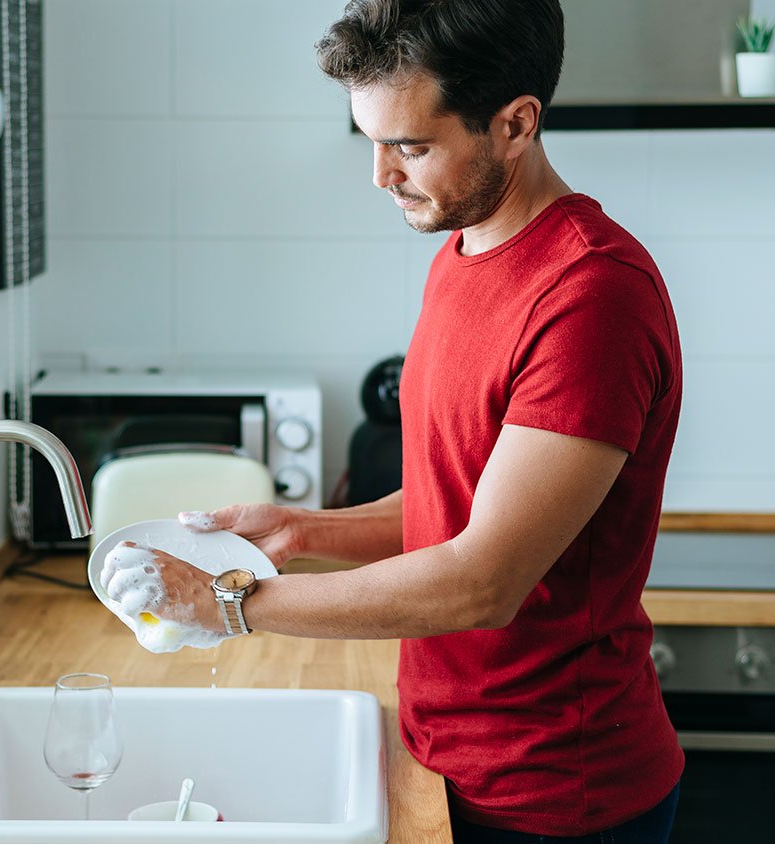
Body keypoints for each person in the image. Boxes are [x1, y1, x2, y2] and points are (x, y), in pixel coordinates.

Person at [101, 1, 684, 840]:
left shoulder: (590, 297)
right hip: (447, 755)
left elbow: (483, 580)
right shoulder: (464, 251)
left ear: (516, 123)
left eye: (410, 146)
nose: (381, 175)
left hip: (558, 794)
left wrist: (230, 605)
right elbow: (456, 500)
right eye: (370, 141)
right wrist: (302, 530)